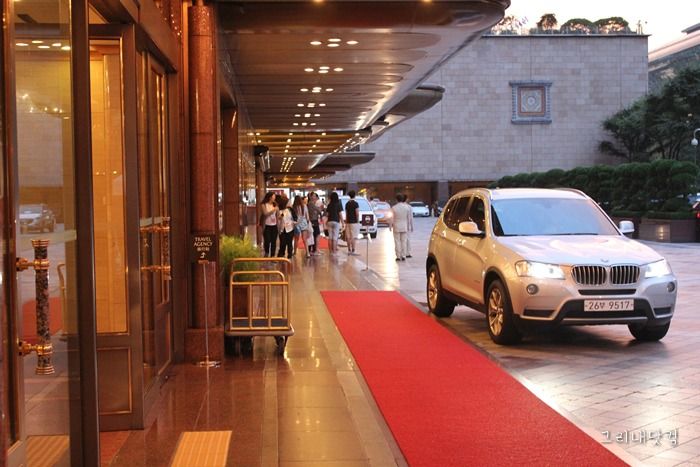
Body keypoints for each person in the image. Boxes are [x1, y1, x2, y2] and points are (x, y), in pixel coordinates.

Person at [390, 193, 413, 261]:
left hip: (396, 226)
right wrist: (409, 226)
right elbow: (409, 218)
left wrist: (390, 226)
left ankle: (398, 256)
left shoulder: (394, 208)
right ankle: (403, 255)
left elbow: (391, 218)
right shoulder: (407, 207)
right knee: (404, 241)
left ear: (396, 199)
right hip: (404, 226)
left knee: (397, 241)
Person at [260, 192, 279, 257]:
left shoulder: (275, 204)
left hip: (274, 226)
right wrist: (274, 210)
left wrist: (281, 215)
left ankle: (272, 256)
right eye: (274, 197)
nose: (275, 198)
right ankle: (266, 253)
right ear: (270, 197)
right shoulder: (264, 204)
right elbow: (265, 214)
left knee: (274, 241)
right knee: (267, 241)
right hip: (266, 225)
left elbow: (278, 216)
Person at [307, 191, 324, 256]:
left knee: (315, 235)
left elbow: (318, 211)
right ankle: (313, 250)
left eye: (315, 196)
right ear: (310, 197)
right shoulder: (311, 203)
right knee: (314, 235)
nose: (315, 197)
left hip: (314, 220)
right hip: (313, 221)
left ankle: (315, 250)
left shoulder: (312, 203)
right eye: (313, 196)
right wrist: (320, 209)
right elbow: (319, 210)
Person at [344, 190, 360, 256]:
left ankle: (349, 250)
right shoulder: (356, 203)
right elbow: (357, 213)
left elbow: (346, 214)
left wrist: (346, 222)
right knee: (353, 236)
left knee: (348, 237)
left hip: (348, 222)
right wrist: (358, 221)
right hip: (354, 222)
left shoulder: (347, 204)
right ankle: (353, 250)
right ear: (354, 195)